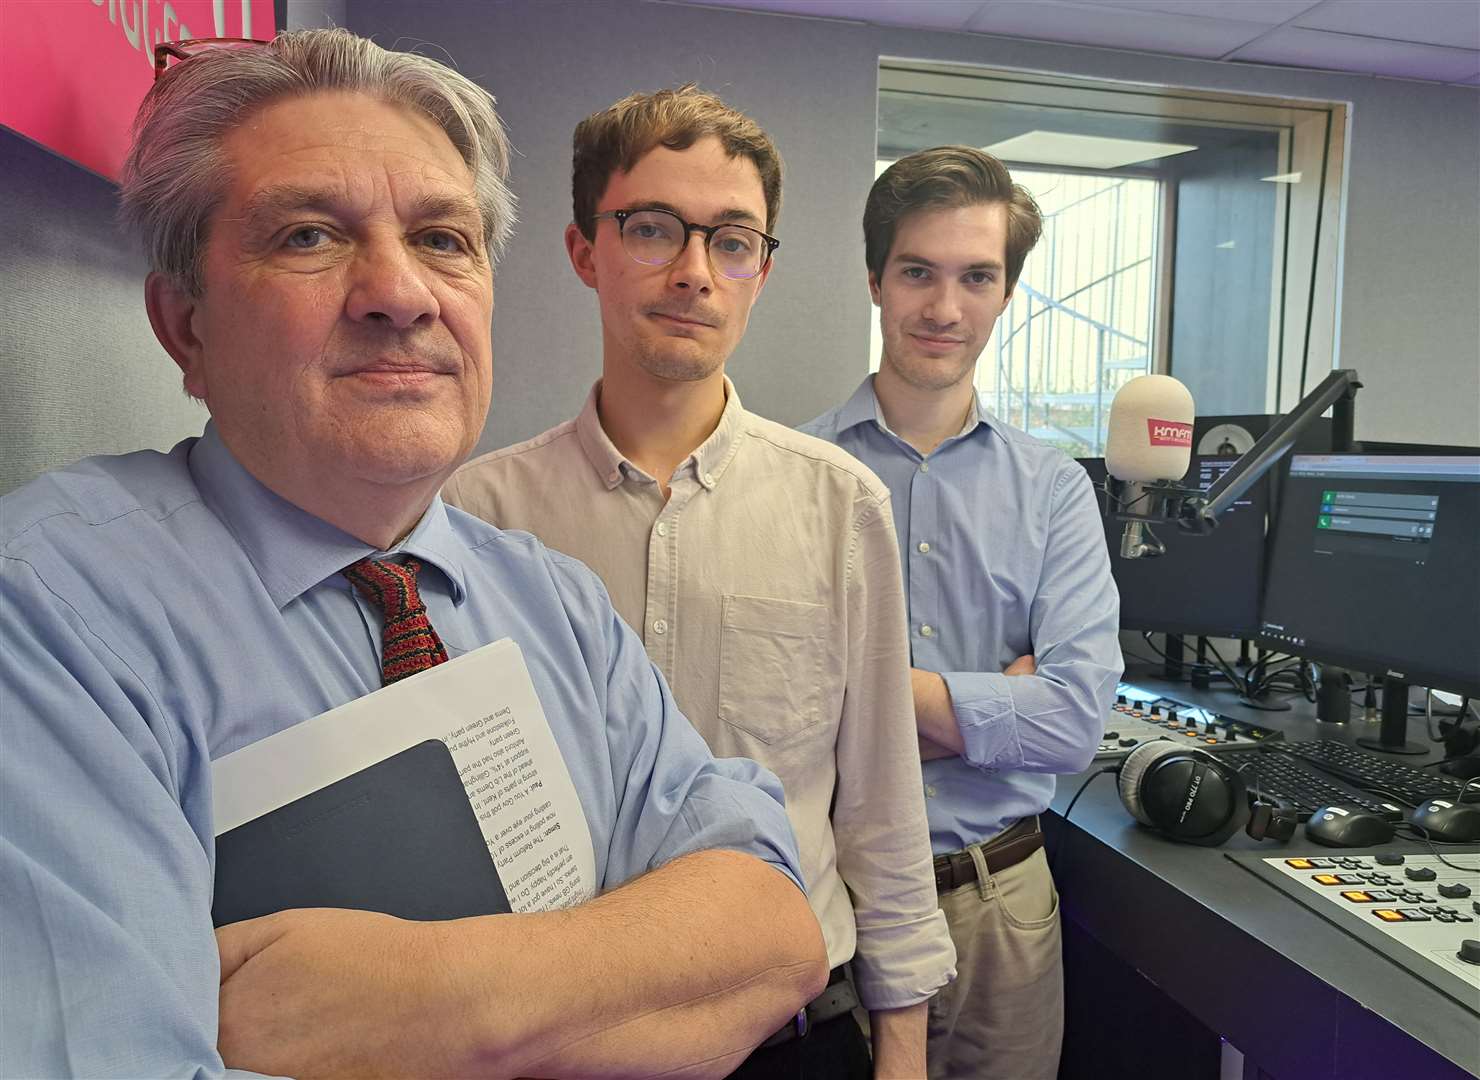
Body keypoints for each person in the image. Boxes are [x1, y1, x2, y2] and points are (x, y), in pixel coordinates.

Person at [0, 30, 830, 1080]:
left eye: (443, 239)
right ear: (185, 327)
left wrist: (435, 997)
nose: (401, 293)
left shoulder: (554, 605)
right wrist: (622, 980)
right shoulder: (49, 618)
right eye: (308, 236)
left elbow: (771, 941)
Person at [443, 87, 954, 1077]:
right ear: (584, 251)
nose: (693, 274)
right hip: (562, 1043)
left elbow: (882, 806)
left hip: (795, 1038)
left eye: (730, 241)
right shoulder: (476, 517)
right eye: (652, 229)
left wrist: (901, 1052)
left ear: (760, 270)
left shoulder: (840, 507)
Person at [800, 146, 1123, 1080]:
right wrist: (988, 706)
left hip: (1001, 907)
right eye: (918, 272)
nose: (945, 308)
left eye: (976, 276)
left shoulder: (1056, 491)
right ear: (874, 280)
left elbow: (1072, 720)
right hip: (834, 903)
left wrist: (872, 705)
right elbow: (776, 714)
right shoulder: (792, 474)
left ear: (1007, 292)